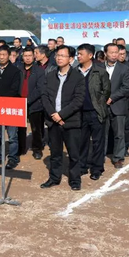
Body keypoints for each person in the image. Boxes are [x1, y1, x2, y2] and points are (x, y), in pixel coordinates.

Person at [40, 45, 85, 191]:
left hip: (70, 121)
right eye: (57, 55)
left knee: (74, 153)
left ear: (71, 59)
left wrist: (61, 115)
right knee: (55, 153)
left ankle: (75, 180)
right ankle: (54, 178)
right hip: (53, 121)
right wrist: (54, 114)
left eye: (63, 56)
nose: (59, 58)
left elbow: (78, 100)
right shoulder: (50, 76)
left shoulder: (78, 77)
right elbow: (44, 96)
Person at [76, 44, 110, 179]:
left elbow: (106, 91)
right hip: (79, 113)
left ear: (90, 55)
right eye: (78, 54)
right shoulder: (75, 71)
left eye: (81, 54)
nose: (78, 56)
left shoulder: (100, 72)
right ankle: (82, 166)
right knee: (81, 142)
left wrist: (99, 104)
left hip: (96, 112)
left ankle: (97, 168)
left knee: (98, 142)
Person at [103, 43, 129, 169]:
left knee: (119, 133)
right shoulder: (99, 67)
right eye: (112, 52)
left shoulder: (124, 68)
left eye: (116, 52)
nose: (114, 55)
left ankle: (118, 158)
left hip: (118, 104)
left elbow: (126, 87)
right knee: (102, 133)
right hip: (102, 106)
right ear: (105, 53)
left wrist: (112, 98)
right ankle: (100, 156)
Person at [0, 46, 22, 168]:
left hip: (11, 105)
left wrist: (1, 97)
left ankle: (12, 158)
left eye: (4, 54)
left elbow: (15, 89)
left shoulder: (15, 71)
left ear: (9, 56)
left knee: (12, 135)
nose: (1, 57)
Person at [19, 46, 46, 160]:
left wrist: (28, 100)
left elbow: (40, 89)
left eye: (30, 55)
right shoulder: (19, 69)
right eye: (25, 56)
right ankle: (21, 148)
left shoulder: (39, 71)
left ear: (34, 56)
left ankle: (37, 149)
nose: (27, 58)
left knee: (36, 129)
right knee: (20, 128)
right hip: (19, 103)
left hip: (34, 104)